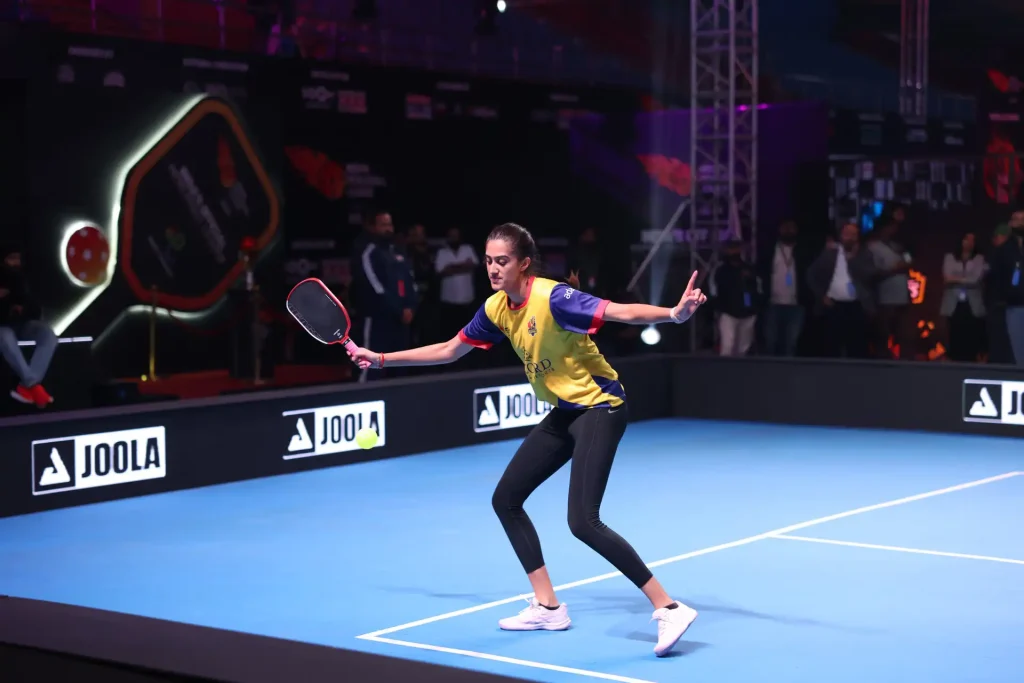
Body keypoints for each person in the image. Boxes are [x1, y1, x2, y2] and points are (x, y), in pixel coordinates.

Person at [346, 223, 707, 657]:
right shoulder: (497, 307)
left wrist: (673, 314)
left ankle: (668, 607)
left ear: (524, 264)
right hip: (565, 411)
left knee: (583, 522)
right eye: (488, 260)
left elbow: (619, 312)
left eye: (502, 261)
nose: (493, 269)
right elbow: (448, 350)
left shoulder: (554, 298)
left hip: (600, 407)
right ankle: (548, 606)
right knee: (507, 498)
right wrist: (380, 359)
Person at [349, 209, 417, 381]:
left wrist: (410, 307)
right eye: (383, 225)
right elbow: (376, 287)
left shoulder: (398, 251)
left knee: (400, 368)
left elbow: (410, 281)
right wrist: (398, 309)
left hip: (401, 320)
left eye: (390, 224)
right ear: (373, 227)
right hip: (378, 318)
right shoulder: (368, 253)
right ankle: (364, 395)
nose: (388, 229)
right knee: (371, 367)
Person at [0, 246, 56, 408]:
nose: (16, 262)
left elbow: (34, 309)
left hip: (22, 324)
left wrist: (21, 304)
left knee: (47, 334)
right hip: (2, 328)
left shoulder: (22, 279)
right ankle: (33, 385)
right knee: (5, 336)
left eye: (18, 258)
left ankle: (26, 387)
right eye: (12, 258)